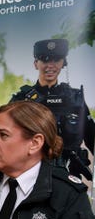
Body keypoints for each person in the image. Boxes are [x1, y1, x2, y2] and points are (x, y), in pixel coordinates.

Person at [10, 38, 95, 181]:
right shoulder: (22, 100)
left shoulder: (75, 99)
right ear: (36, 64)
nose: (50, 65)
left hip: (69, 177)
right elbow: (7, 138)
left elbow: (91, 137)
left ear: (64, 63)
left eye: (56, 60)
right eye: (44, 59)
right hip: (31, 177)